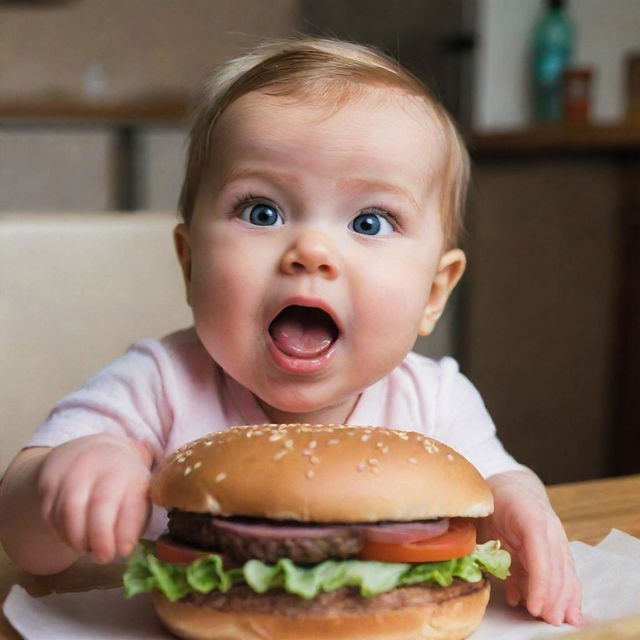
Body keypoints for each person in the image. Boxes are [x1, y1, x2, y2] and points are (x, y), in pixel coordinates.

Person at [0, 37, 581, 626]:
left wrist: (522, 503)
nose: (311, 251)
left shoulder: (436, 400)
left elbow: (497, 484)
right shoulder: (155, 383)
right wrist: (67, 476)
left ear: (434, 292)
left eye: (370, 221)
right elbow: (27, 548)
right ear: (191, 263)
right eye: (262, 212)